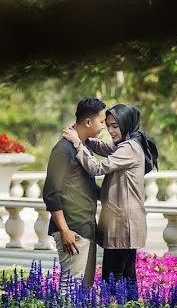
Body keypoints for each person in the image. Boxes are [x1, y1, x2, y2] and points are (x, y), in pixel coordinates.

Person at [62, 103, 159, 298]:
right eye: (108, 125)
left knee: (111, 278)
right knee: (127, 277)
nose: (111, 130)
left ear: (127, 123)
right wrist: (85, 134)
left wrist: (77, 143)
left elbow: (97, 167)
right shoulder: (128, 143)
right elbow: (105, 147)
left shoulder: (129, 148)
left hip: (123, 224)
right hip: (127, 222)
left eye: (115, 125)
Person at [42, 97, 106, 294]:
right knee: (70, 288)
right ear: (88, 122)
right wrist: (64, 230)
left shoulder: (82, 147)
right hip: (72, 230)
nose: (103, 127)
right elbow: (51, 193)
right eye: (102, 122)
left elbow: (88, 189)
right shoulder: (62, 150)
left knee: (83, 289)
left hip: (86, 227)